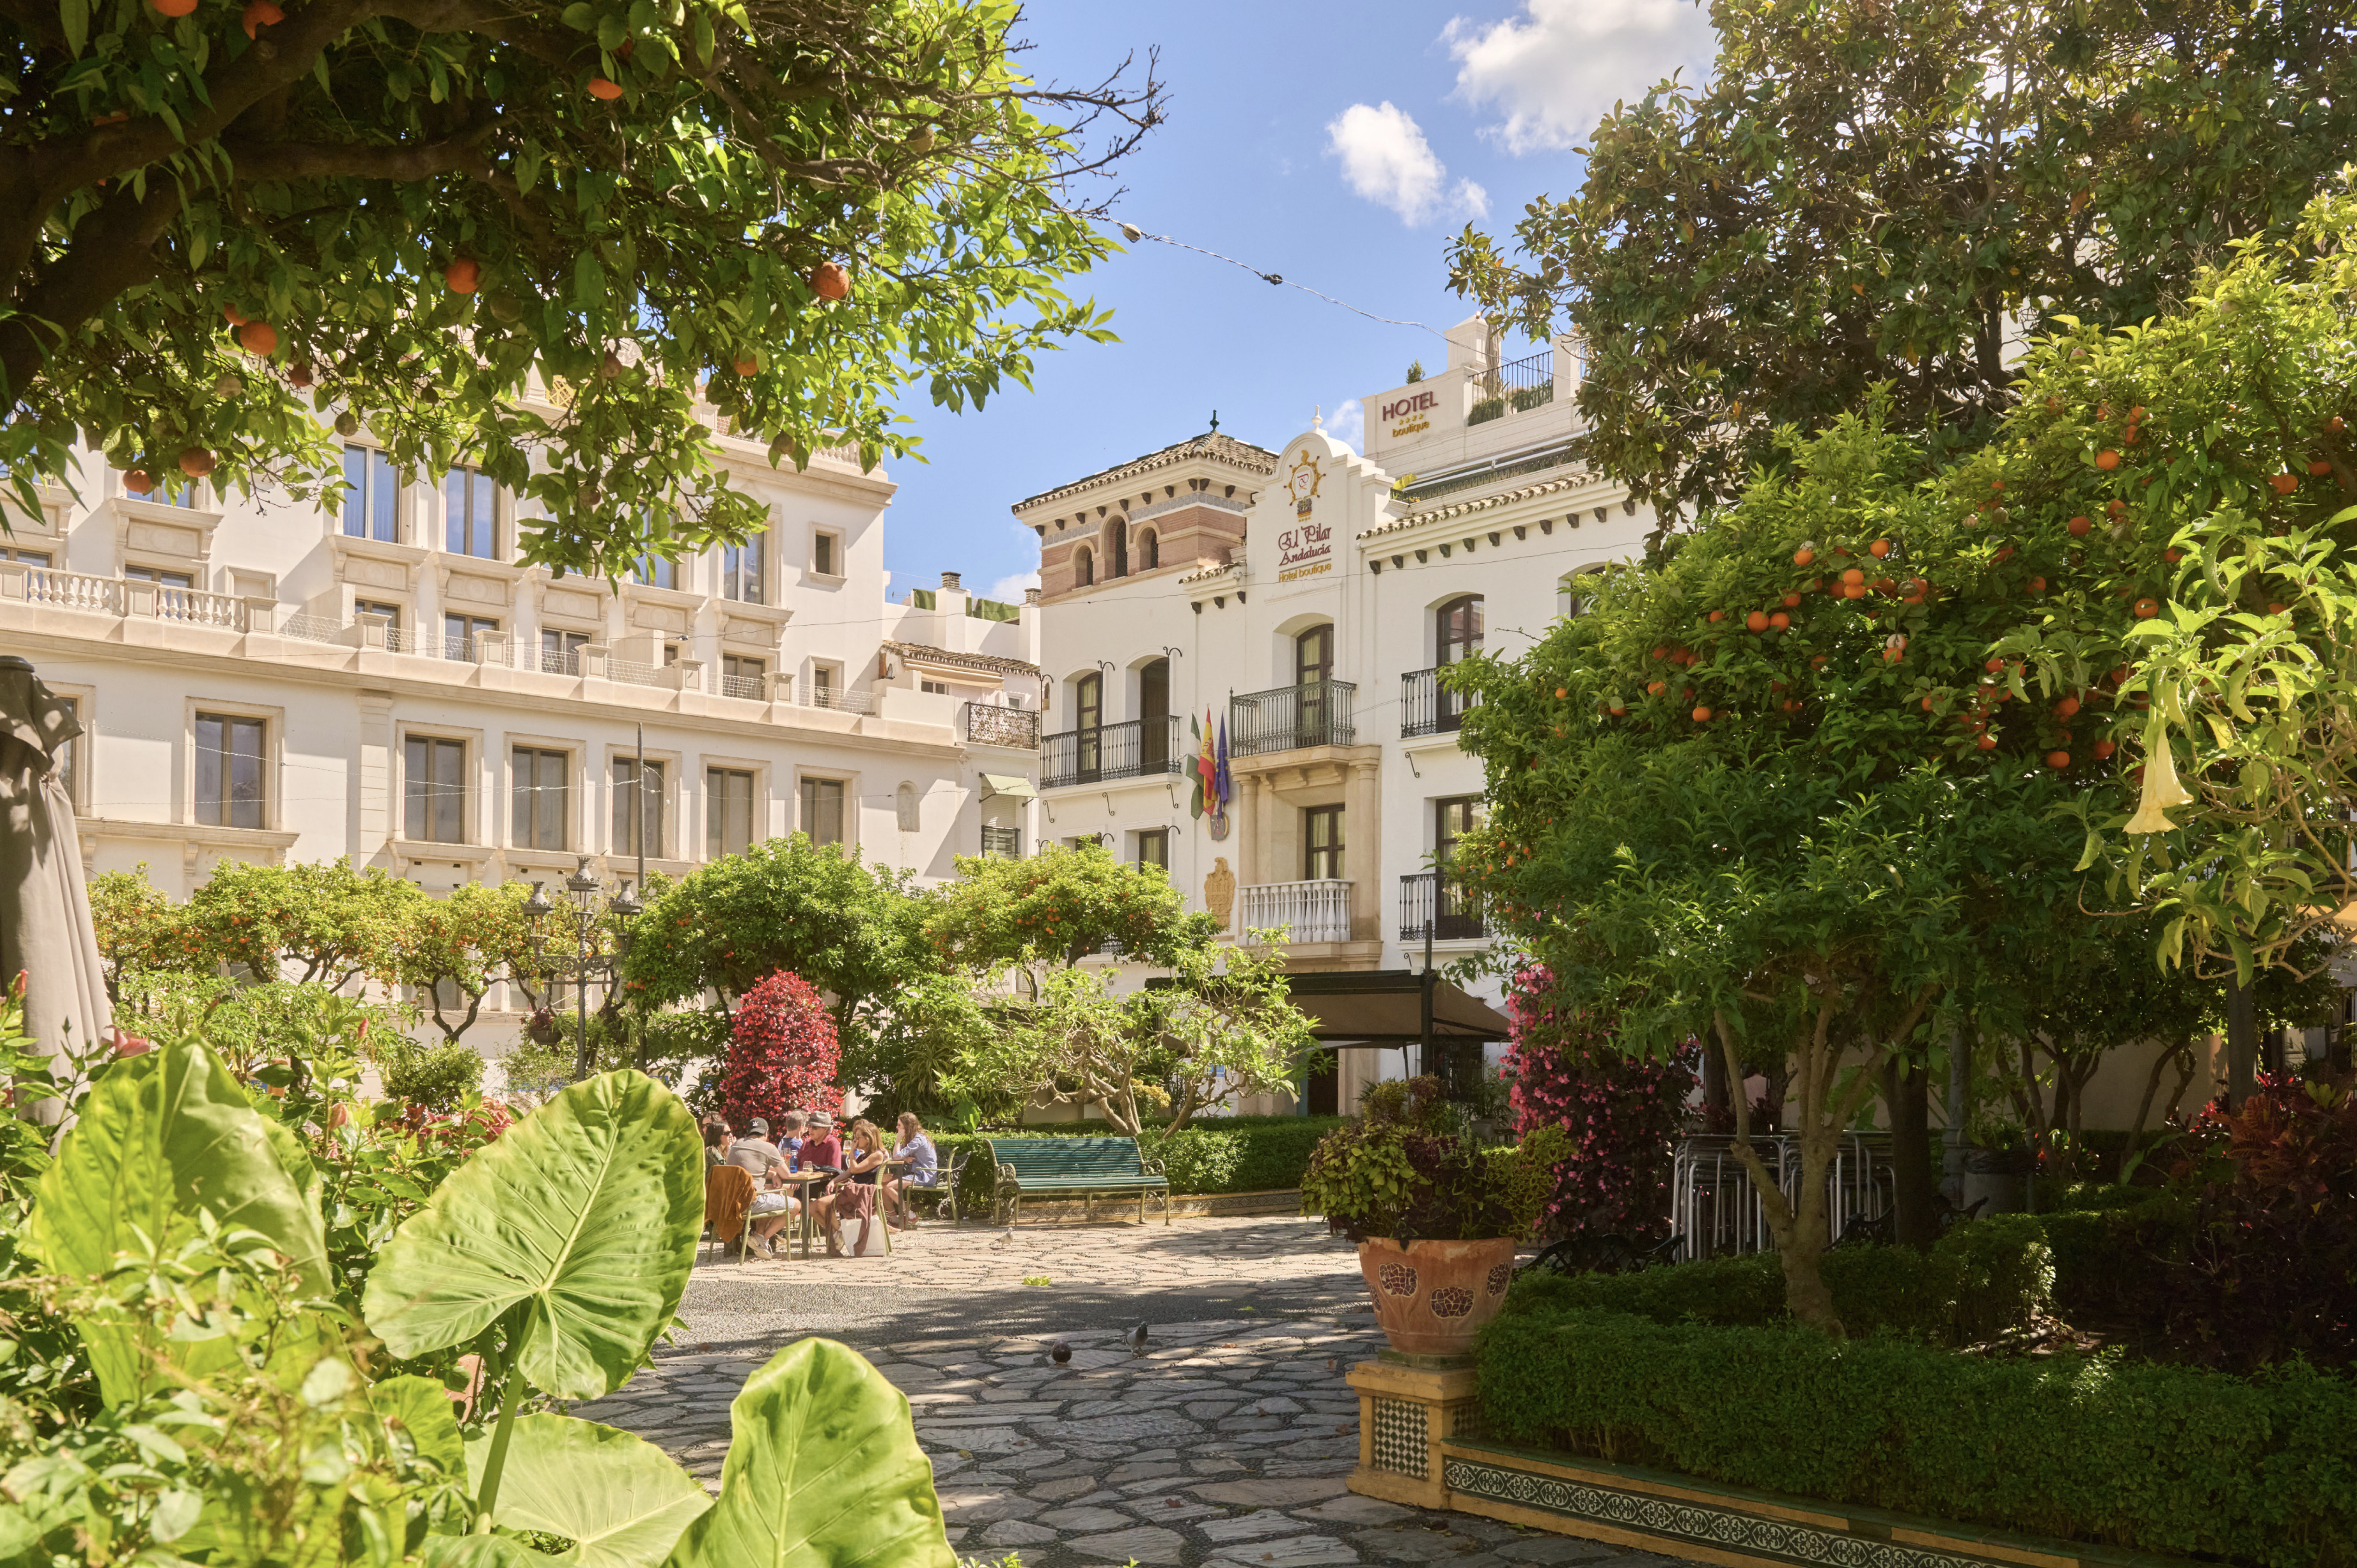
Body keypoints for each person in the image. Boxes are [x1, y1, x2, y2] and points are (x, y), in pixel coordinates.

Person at [813, 1119, 888, 1257]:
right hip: (853, 1193)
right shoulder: (864, 1155)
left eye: (858, 1137)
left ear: (869, 1138)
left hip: (863, 1196)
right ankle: (839, 1231)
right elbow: (849, 1172)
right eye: (855, 1137)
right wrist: (833, 1182)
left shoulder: (877, 1154)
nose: (855, 1140)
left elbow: (854, 1168)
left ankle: (839, 1231)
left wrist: (852, 1151)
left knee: (821, 1204)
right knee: (811, 1208)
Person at [885, 1112, 937, 1229]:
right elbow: (899, 1155)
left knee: (888, 1187)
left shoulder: (918, 1139)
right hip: (916, 1173)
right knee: (883, 1185)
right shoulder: (913, 1138)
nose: (897, 1128)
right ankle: (894, 1218)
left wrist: (898, 1139)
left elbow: (896, 1156)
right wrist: (904, 1157)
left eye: (899, 1125)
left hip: (924, 1175)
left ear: (907, 1126)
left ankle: (911, 1216)